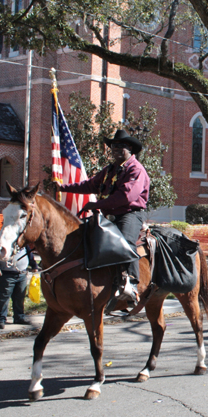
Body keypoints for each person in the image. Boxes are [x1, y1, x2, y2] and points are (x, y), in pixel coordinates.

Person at [57, 129, 150, 303]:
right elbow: (90, 185)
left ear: (130, 148)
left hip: (129, 214)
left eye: (120, 146)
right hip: (108, 213)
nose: (115, 149)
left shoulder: (136, 170)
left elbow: (126, 196)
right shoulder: (110, 170)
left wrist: (96, 205)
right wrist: (63, 187)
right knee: (83, 236)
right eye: (113, 146)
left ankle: (131, 285)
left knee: (125, 242)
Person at [0, 232, 39, 329]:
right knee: (3, 297)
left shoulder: (21, 239)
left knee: (19, 297)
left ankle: (19, 317)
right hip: (5, 274)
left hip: (22, 273)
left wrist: (34, 265)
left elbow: (28, 252)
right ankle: (1, 319)